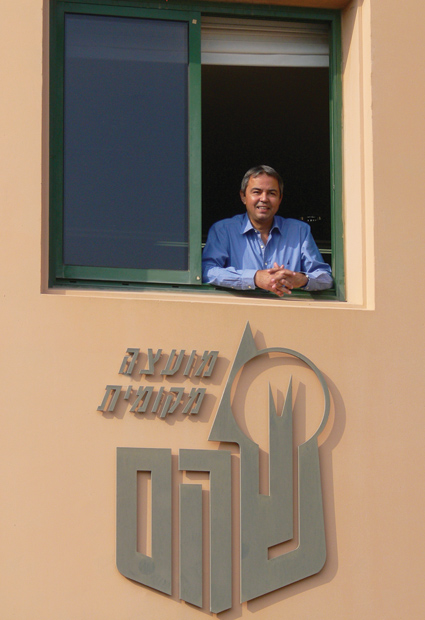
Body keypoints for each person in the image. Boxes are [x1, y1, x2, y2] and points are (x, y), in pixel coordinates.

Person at [202, 165, 333, 297]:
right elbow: (207, 271)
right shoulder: (223, 230)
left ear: (280, 199)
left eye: (271, 193)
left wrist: (301, 279)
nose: (264, 199)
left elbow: (325, 277)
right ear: (243, 196)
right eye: (257, 192)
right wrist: (254, 278)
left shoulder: (299, 231)